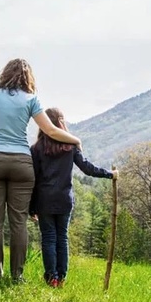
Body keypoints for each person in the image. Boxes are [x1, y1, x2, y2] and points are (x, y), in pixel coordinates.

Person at [0, 58, 82, 283]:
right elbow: (51, 130)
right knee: (18, 221)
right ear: (28, 78)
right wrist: (75, 139)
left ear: (4, 74)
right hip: (21, 164)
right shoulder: (31, 99)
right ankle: (17, 275)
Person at [30, 107, 117, 288]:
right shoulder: (70, 147)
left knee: (49, 238)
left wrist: (31, 207)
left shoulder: (36, 149)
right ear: (62, 123)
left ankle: (51, 278)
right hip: (64, 199)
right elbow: (88, 168)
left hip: (44, 200)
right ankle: (61, 277)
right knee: (62, 237)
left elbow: (34, 179)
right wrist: (110, 174)